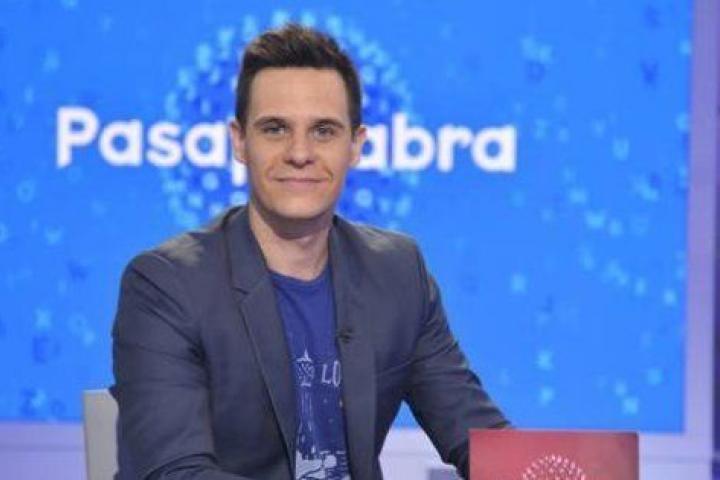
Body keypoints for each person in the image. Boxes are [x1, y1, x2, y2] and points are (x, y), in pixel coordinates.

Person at [111, 23, 508, 480]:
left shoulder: (398, 272)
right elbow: (175, 473)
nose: (299, 153)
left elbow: (479, 438)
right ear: (239, 141)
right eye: (275, 129)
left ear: (355, 145)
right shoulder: (167, 284)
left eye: (323, 131)